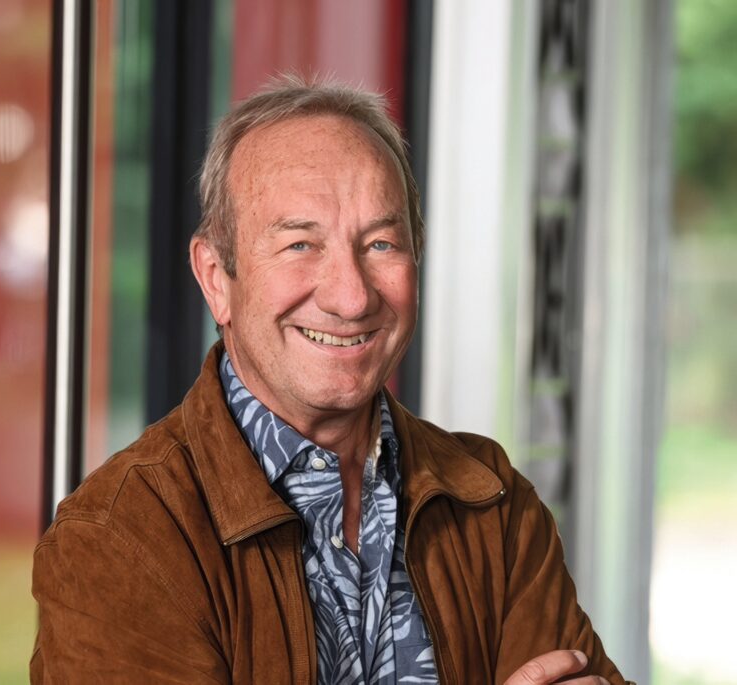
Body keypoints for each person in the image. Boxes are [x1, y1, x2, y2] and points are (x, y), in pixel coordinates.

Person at [31, 76, 630, 685]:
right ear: (216, 278)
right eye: (300, 245)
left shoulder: (490, 503)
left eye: (381, 244)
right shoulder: (121, 536)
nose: (351, 297)